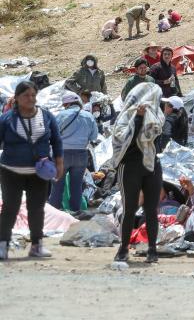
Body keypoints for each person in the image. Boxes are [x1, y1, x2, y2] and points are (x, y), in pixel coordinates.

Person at [0, 81, 63, 260]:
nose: (30, 99)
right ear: (17, 98)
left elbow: (56, 141)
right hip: (11, 172)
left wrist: (59, 163)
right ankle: (2, 245)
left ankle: (37, 245)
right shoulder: (6, 120)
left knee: (37, 209)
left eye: (33, 95)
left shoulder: (47, 116)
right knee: (10, 208)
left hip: (39, 173)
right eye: (26, 95)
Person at [106, 82, 164, 263]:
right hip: (130, 166)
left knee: (151, 210)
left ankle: (152, 249)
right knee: (130, 208)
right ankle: (123, 248)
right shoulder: (124, 117)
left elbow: (158, 141)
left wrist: (147, 119)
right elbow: (123, 140)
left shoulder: (157, 116)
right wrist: (138, 119)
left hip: (151, 165)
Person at [48, 90, 97, 212]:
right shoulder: (89, 116)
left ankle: (55, 214)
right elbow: (94, 137)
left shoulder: (60, 115)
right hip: (81, 155)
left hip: (62, 155)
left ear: (66, 104)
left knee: (58, 186)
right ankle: (76, 213)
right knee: (77, 186)